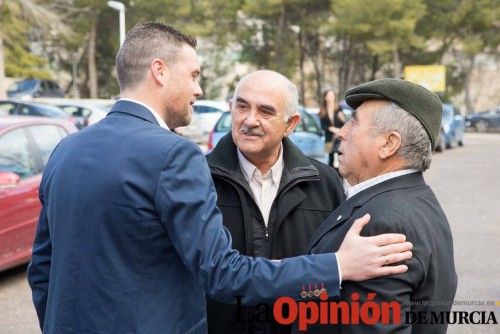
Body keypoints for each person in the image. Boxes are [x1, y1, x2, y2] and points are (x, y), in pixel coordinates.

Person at [27, 23, 413, 334]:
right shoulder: (175, 156)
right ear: (159, 71)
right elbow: (223, 272)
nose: (198, 89)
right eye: (194, 75)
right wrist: (338, 266)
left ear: (290, 124)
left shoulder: (66, 149)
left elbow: (42, 268)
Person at [305, 78, 457, 333]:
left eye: (354, 122)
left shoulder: (380, 224)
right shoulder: (416, 200)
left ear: (388, 144)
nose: (341, 132)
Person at [205, 70, 345, 334]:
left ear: (290, 124)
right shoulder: (198, 180)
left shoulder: (324, 183)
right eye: (242, 106)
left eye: (265, 111)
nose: (249, 120)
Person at [318, 88, 345, 169]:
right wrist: (331, 128)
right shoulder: (322, 110)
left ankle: (340, 177)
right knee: (330, 159)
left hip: (339, 138)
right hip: (329, 138)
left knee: (340, 157)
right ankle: (331, 177)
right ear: (325, 97)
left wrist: (343, 119)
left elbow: (344, 123)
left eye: (332, 95)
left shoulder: (339, 108)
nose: (331, 97)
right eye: (329, 95)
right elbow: (323, 126)